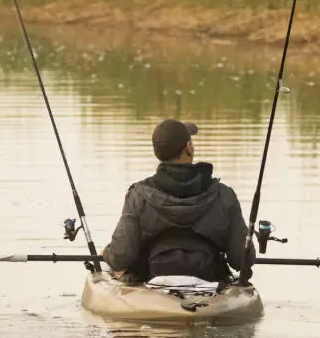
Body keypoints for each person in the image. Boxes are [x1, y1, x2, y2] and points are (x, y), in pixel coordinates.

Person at [100, 118, 256, 284]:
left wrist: (106, 253)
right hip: (210, 284)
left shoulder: (138, 195)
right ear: (188, 146)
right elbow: (241, 260)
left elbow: (121, 256)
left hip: (152, 285)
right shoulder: (224, 195)